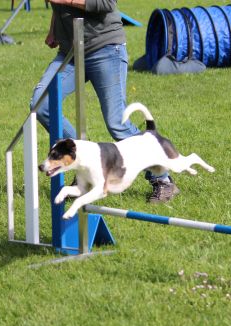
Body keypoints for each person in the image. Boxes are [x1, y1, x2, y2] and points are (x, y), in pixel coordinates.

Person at [30, 0, 179, 203]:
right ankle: (83, 159)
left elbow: (106, 3)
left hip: (105, 49)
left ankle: (162, 178)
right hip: (70, 53)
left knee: (117, 123)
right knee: (41, 104)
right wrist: (54, 29)